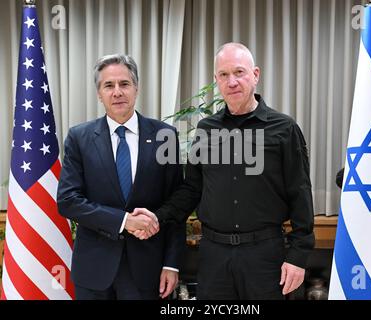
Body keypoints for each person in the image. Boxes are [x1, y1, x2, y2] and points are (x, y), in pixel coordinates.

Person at [136, 42, 315, 299]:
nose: (232, 82)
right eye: (224, 75)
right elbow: (192, 189)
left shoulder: (284, 129)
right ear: (216, 81)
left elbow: (300, 192)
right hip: (214, 257)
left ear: (255, 74)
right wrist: (157, 217)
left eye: (239, 72)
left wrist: (298, 256)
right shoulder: (205, 129)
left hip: (265, 256)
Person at [57, 54, 185, 300]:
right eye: (109, 85)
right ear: (99, 93)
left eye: (124, 84)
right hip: (94, 270)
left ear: (136, 88)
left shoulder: (164, 136)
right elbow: (68, 201)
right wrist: (124, 221)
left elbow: (175, 204)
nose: (117, 92)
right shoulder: (79, 138)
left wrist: (172, 264)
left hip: (148, 271)